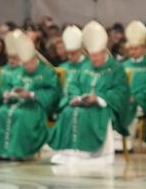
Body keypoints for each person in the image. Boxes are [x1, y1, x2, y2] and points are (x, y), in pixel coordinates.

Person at [49, 21, 129, 166]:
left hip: (104, 107)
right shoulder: (85, 65)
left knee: (86, 114)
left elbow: (120, 93)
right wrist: (76, 97)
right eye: (91, 56)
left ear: (104, 52)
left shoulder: (116, 69)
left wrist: (98, 98)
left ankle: (90, 155)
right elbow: (73, 84)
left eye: (97, 56)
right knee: (68, 112)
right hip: (83, 103)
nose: (93, 60)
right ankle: (69, 152)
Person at [0, 34, 60, 161]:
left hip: (35, 106)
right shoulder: (19, 70)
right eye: (24, 64)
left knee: (21, 115)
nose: (26, 67)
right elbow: (10, 86)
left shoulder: (47, 72)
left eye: (28, 64)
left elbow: (53, 92)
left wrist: (32, 95)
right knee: (2, 112)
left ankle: (19, 152)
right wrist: (10, 94)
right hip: (16, 102)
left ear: (34, 59)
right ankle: (2, 152)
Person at [118, 21, 146, 151]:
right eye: (130, 48)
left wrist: (136, 98)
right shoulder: (123, 66)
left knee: (130, 107)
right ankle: (115, 142)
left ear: (143, 48)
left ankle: (127, 142)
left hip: (142, 103)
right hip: (124, 100)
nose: (132, 51)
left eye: (136, 48)